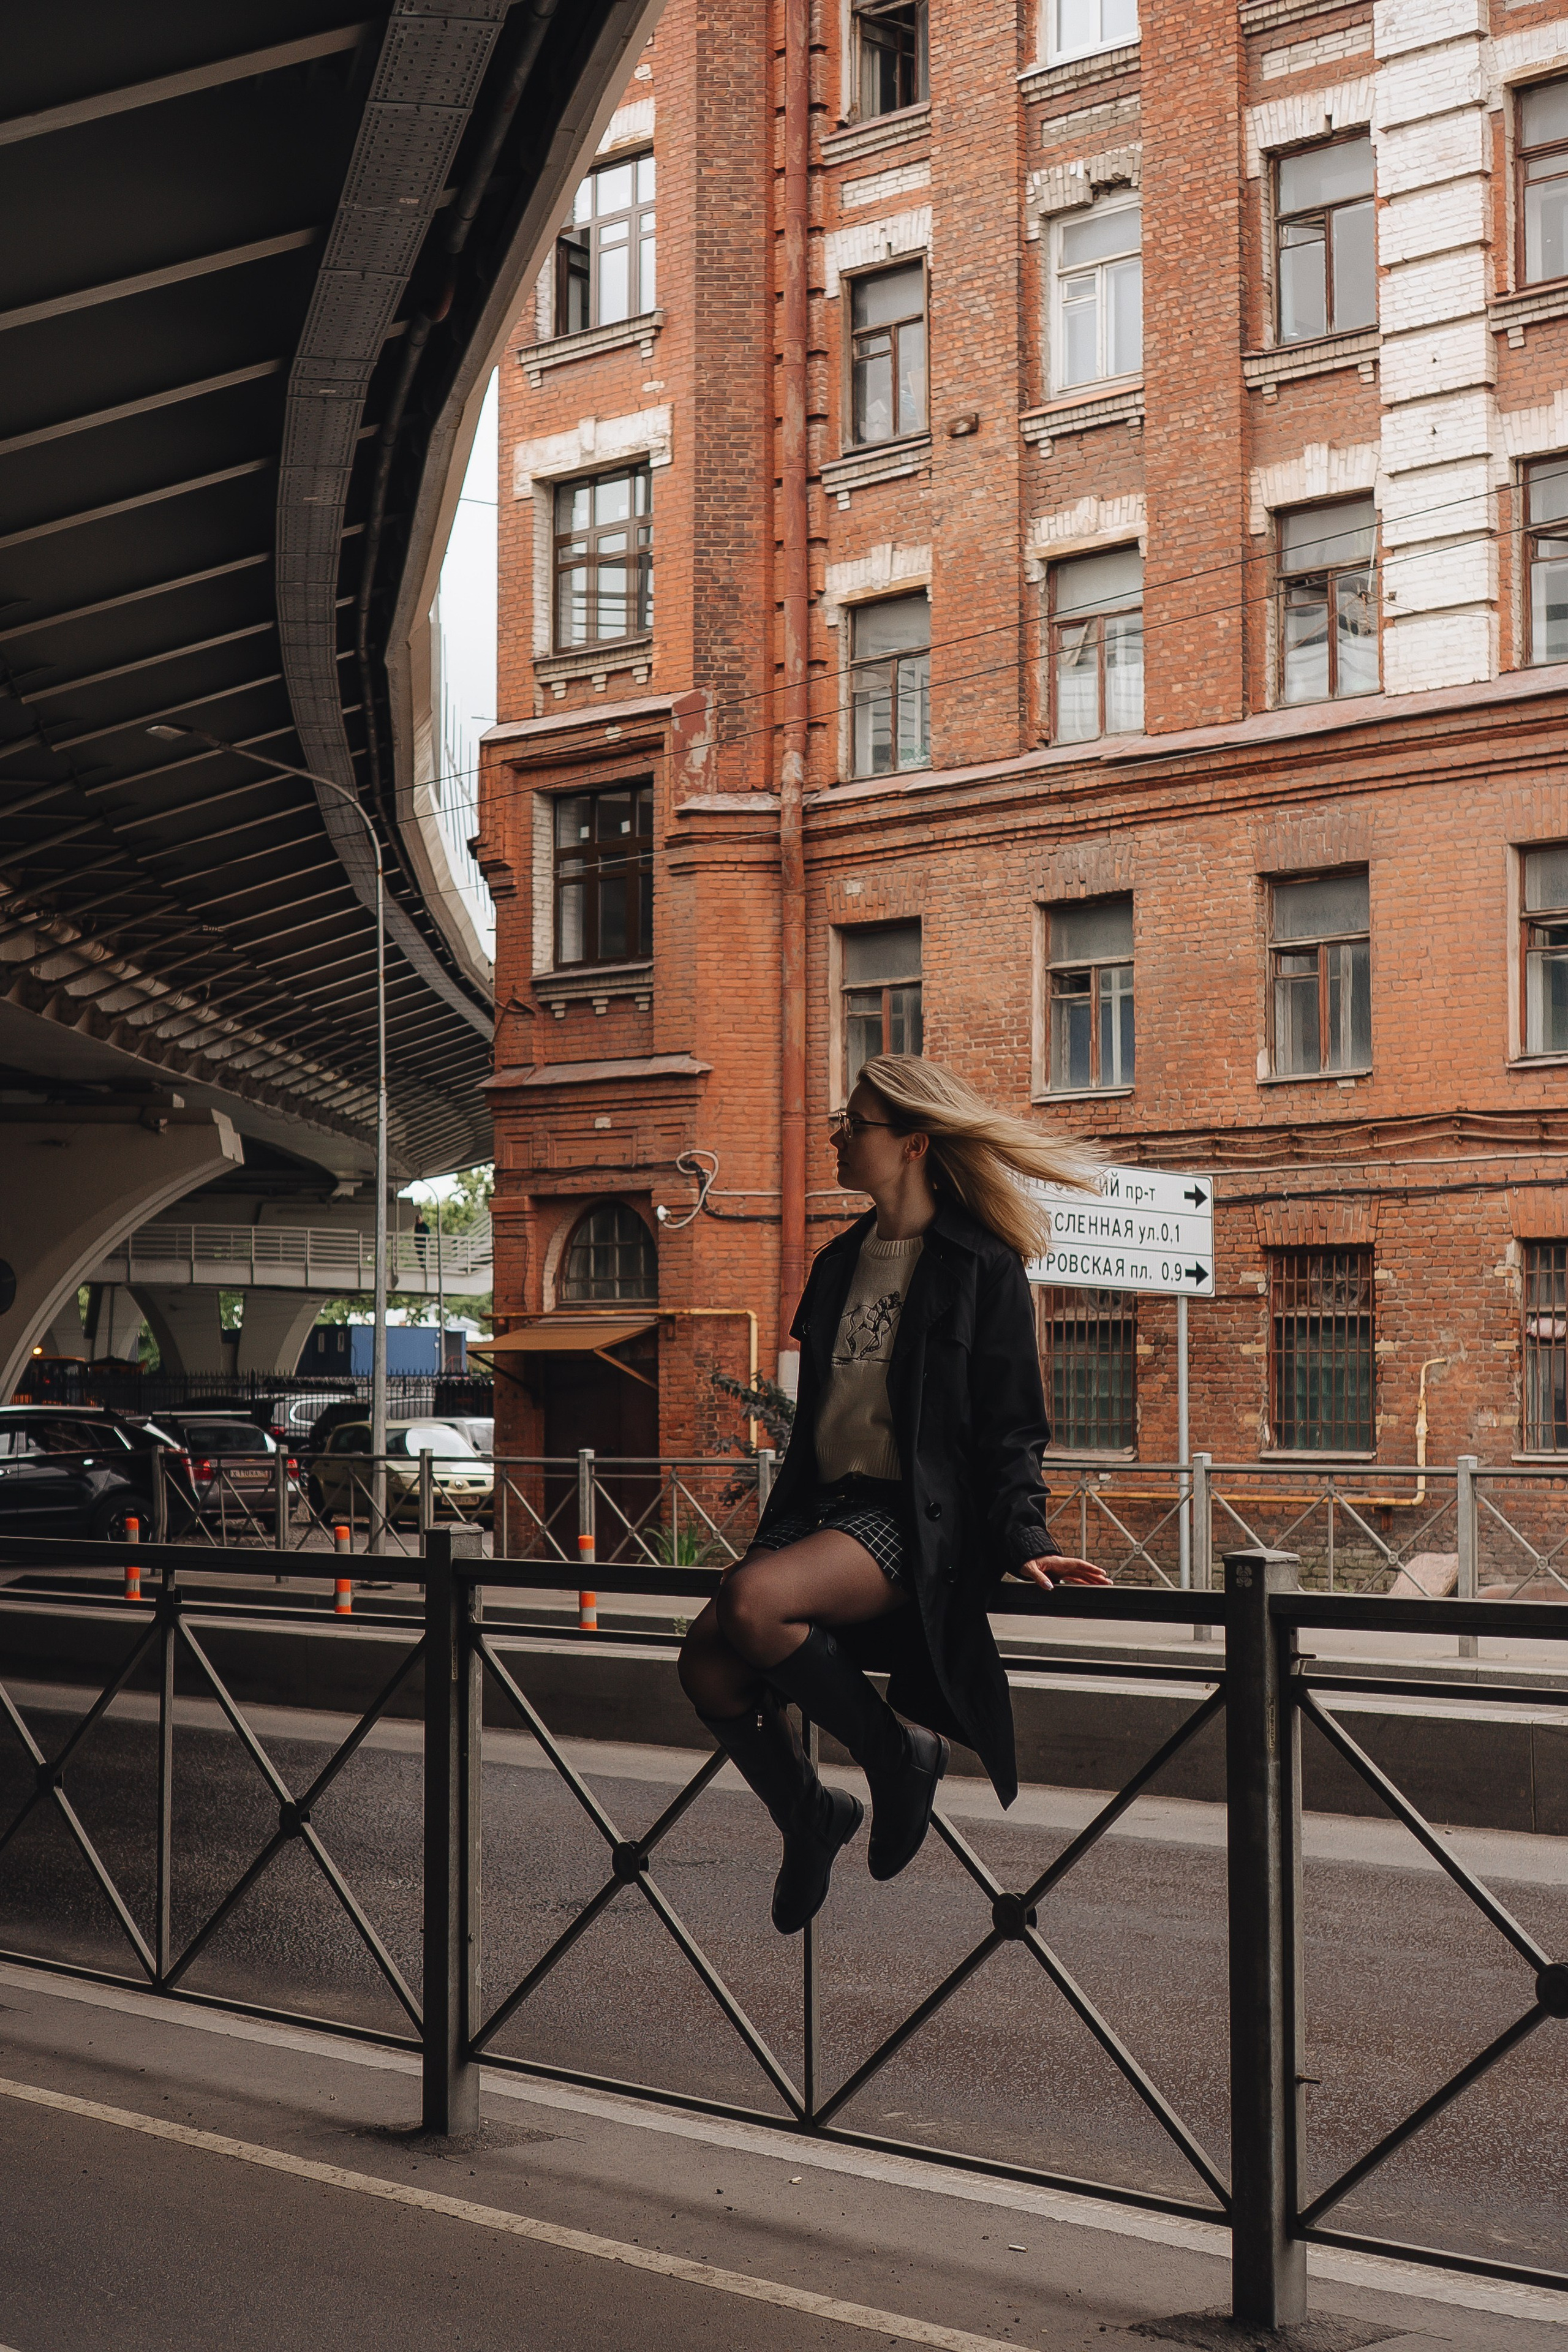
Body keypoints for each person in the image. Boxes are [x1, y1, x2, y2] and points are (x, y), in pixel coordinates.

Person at [677, 1054, 1111, 1936]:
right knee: (707, 1664)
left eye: (855, 1124)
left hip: (910, 1517)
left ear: (913, 1144)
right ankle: (809, 1814)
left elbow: (1012, 1427)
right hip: (824, 1507)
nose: (837, 1136)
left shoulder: (980, 1265)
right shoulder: (839, 1261)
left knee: (752, 1601)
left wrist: (1025, 1536)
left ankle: (899, 1755)